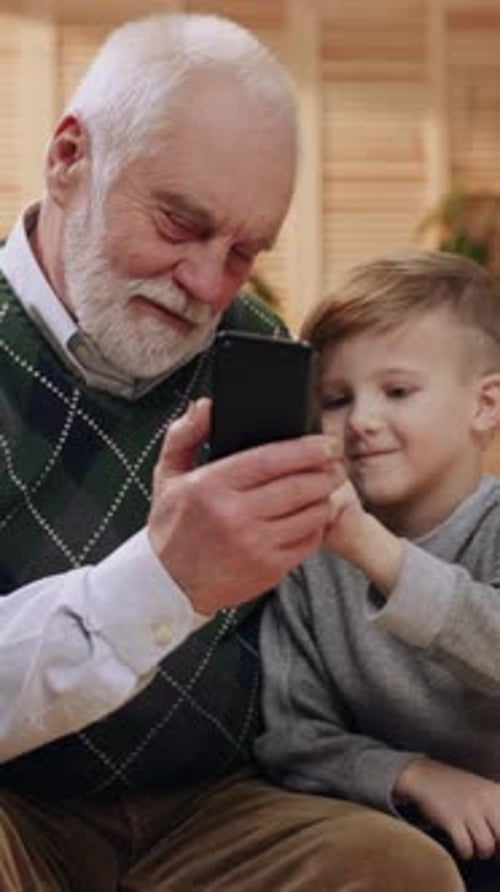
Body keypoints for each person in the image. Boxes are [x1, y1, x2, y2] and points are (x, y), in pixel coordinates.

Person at [0, 9, 463, 887]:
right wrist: (164, 577)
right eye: (180, 223)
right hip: (17, 815)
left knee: (400, 871)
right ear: (69, 160)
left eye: (244, 252)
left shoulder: (254, 346)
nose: (207, 286)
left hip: (214, 810)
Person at [256, 248, 500, 891]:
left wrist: (376, 552)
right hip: (383, 824)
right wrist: (413, 775)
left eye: (397, 391)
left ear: (485, 406)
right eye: (337, 399)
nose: (361, 421)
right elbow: (291, 736)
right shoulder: (309, 556)